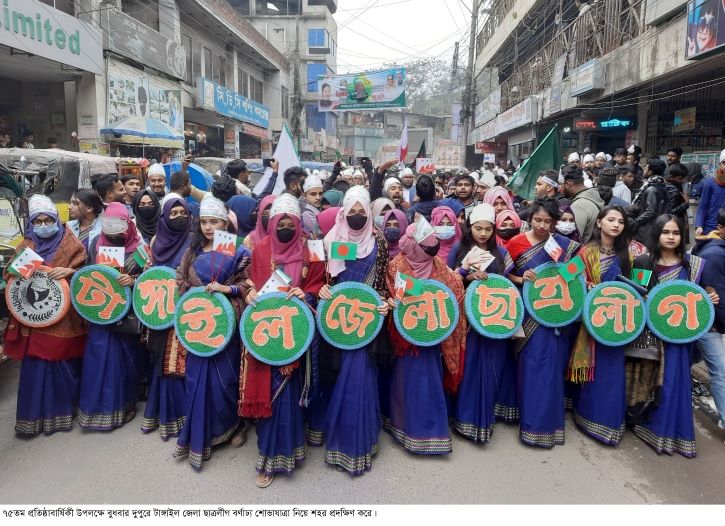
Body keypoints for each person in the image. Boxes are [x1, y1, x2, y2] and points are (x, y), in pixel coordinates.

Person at [240, 193, 325, 487]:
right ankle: (267, 457)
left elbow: (321, 282)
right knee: (269, 393)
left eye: (291, 222)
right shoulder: (260, 249)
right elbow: (249, 282)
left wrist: (308, 293)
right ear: (272, 222)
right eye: (281, 221)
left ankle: (291, 451)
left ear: (299, 222)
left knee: (291, 397)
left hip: (297, 331)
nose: (286, 226)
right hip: (266, 332)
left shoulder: (312, 247)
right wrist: (249, 292)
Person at [629, 215, 717, 457]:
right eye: (665, 232)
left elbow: (706, 288)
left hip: (680, 335)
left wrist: (710, 294)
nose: (670, 237)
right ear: (657, 235)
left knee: (674, 381)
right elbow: (637, 293)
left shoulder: (695, 265)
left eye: (676, 233)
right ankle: (648, 423)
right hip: (651, 333)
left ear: (682, 236)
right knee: (649, 380)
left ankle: (671, 432)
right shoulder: (645, 261)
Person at [173, 196, 250, 470]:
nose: (208, 227)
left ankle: (230, 426)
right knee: (195, 381)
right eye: (203, 221)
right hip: (196, 327)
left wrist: (226, 291)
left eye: (214, 221)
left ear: (225, 223)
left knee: (224, 381)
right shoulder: (191, 252)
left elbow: (247, 287)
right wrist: (191, 295)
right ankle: (197, 435)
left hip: (225, 328)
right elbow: (179, 282)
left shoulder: (238, 252)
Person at [319, 186, 390, 475]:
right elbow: (321, 277)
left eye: (363, 211)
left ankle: (360, 444)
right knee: (337, 378)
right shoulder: (330, 241)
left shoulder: (380, 241)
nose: (358, 216)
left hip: (368, 322)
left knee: (360, 377)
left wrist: (386, 301)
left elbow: (386, 280)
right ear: (343, 211)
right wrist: (322, 288)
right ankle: (337, 440)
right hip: (337, 321)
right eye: (353, 211)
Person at [5, 195, 87, 436]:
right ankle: (31, 419)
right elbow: (10, 278)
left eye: (47, 220)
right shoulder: (26, 246)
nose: (42, 225)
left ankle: (60, 415)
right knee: (35, 367)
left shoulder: (73, 245)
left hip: (63, 318)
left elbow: (86, 276)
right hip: (32, 318)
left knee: (60, 363)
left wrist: (71, 271)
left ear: (56, 219)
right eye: (37, 221)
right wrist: (23, 271)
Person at [385, 221, 467, 454]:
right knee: (404, 385)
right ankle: (404, 430)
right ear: (412, 248)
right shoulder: (395, 267)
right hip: (406, 340)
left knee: (429, 385)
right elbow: (392, 295)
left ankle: (432, 434)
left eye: (433, 250)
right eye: (425, 250)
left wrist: (462, 276)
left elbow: (453, 288)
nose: (430, 255)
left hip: (432, 338)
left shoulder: (439, 266)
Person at [506, 198, 581, 447]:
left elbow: (578, 270)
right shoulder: (515, 243)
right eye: (538, 220)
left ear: (554, 223)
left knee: (552, 370)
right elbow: (503, 276)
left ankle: (551, 425)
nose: (542, 225)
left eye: (548, 222)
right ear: (530, 219)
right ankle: (530, 424)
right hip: (529, 315)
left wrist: (561, 270)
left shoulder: (562, 244)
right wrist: (521, 278)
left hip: (557, 314)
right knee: (531, 367)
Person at [78, 203, 146, 431]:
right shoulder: (95, 243)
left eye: (118, 227)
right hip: (99, 315)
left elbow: (150, 280)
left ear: (128, 225)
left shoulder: (141, 248)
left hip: (126, 318)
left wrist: (133, 281)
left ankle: (126, 404)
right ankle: (95, 408)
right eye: (109, 227)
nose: (113, 233)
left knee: (125, 363)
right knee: (98, 362)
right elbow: (86, 273)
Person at [451, 203, 514, 443]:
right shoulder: (460, 250)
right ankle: (465, 419)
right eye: (478, 228)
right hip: (468, 321)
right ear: (470, 227)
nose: (483, 233)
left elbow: (508, 282)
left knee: (492, 367)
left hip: (495, 319)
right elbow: (448, 280)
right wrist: (466, 273)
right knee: (470, 368)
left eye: (488, 229)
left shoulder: (501, 253)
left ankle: (485, 418)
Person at [569, 206, 632, 446]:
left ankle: (610, 423)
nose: (616, 225)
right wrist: (584, 284)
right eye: (611, 220)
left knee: (613, 371)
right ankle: (588, 416)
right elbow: (565, 277)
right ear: (599, 223)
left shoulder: (629, 254)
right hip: (590, 323)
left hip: (617, 322)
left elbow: (638, 286)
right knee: (593, 370)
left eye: (621, 221)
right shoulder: (585, 252)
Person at [141, 197, 191, 440]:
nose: (179, 216)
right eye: (174, 213)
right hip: (160, 311)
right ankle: (164, 415)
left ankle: (184, 416)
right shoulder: (155, 242)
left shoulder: (193, 242)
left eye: (183, 212)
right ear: (165, 218)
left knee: (178, 367)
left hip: (187, 313)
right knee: (161, 363)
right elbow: (149, 273)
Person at [692, 208, 725, 430]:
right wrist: (714, 325)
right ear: (721, 228)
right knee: (720, 369)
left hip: (705, 321)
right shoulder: (715, 255)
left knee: (688, 360)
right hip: (707, 323)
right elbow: (713, 294)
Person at [628, 157, 670, 244]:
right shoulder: (662, 185)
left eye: (646, 168)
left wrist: (636, 221)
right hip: (657, 225)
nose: (644, 170)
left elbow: (650, 211)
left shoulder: (651, 189)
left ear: (650, 171)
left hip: (647, 229)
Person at [561, 164, 603, 243]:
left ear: (568, 184)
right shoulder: (590, 196)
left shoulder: (579, 205)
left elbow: (574, 241)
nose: (559, 188)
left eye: (560, 184)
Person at [694, 150, 725, 237]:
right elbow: (703, 206)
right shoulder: (710, 182)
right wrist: (699, 226)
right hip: (711, 229)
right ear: (720, 164)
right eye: (724, 163)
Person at [300, 174, 324, 239]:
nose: (318, 197)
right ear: (304, 196)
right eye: (313, 194)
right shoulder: (307, 213)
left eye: (320, 193)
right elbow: (319, 235)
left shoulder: (315, 208)